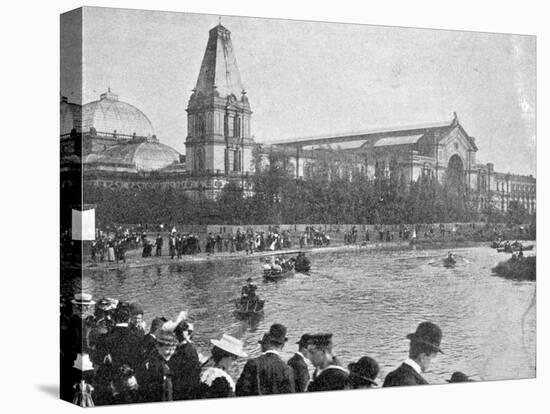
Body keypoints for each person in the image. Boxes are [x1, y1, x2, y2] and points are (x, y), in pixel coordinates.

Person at [236, 324, 295, 396]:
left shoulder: (253, 363)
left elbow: (241, 390)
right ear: (282, 346)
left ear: (266, 344)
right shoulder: (287, 369)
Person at [383, 321, 443, 387]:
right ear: (423, 357)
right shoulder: (417, 385)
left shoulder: (391, 375)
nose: (434, 362)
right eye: (433, 357)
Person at [199, 334, 248, 398]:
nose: (235, 362)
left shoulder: (206, 371)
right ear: (225, 357)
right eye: (234, 358)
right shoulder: (222, 379)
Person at [138, 328, 179, 403]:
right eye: (167, 349)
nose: (170, 352)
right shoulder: (155, 366)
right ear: (158, 347)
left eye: (173, 349)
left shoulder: (164, 362)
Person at [170, 320, 201, 400]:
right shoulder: (191, 349)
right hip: (189, 388)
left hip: (178, 388)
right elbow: (196, 369)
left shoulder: (176, 350)